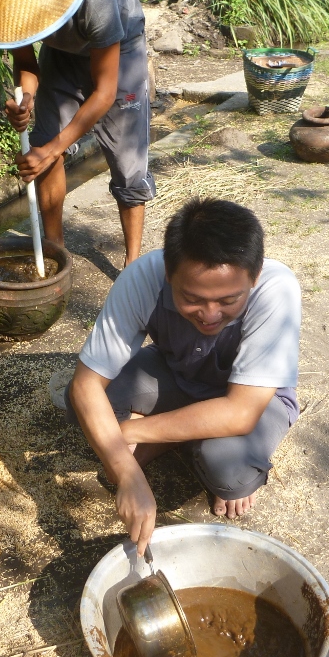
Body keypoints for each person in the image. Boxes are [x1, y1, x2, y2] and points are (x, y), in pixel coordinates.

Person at [66, 198, 301, 555]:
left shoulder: (277, 288)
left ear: (254, 276)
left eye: (228, 300)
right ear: (168, 272)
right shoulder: (142, 277)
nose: (209, 314)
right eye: (191, 298)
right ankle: (185, 435)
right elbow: (86, 385)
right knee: (80, 405)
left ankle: (180, 439)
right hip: (178, 373)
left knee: (229, 474)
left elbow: (240, 412)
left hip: (251, 399)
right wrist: (127, 472)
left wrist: (127, 435)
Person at [0, 0, 155, 267]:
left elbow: (105, 93)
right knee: (44, 140)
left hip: (119, 50)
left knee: (127, 162)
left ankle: (132, 263)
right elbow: (26, 62)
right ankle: (55, 250)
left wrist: (54, 150)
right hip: (63, 54)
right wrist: (25, 98)